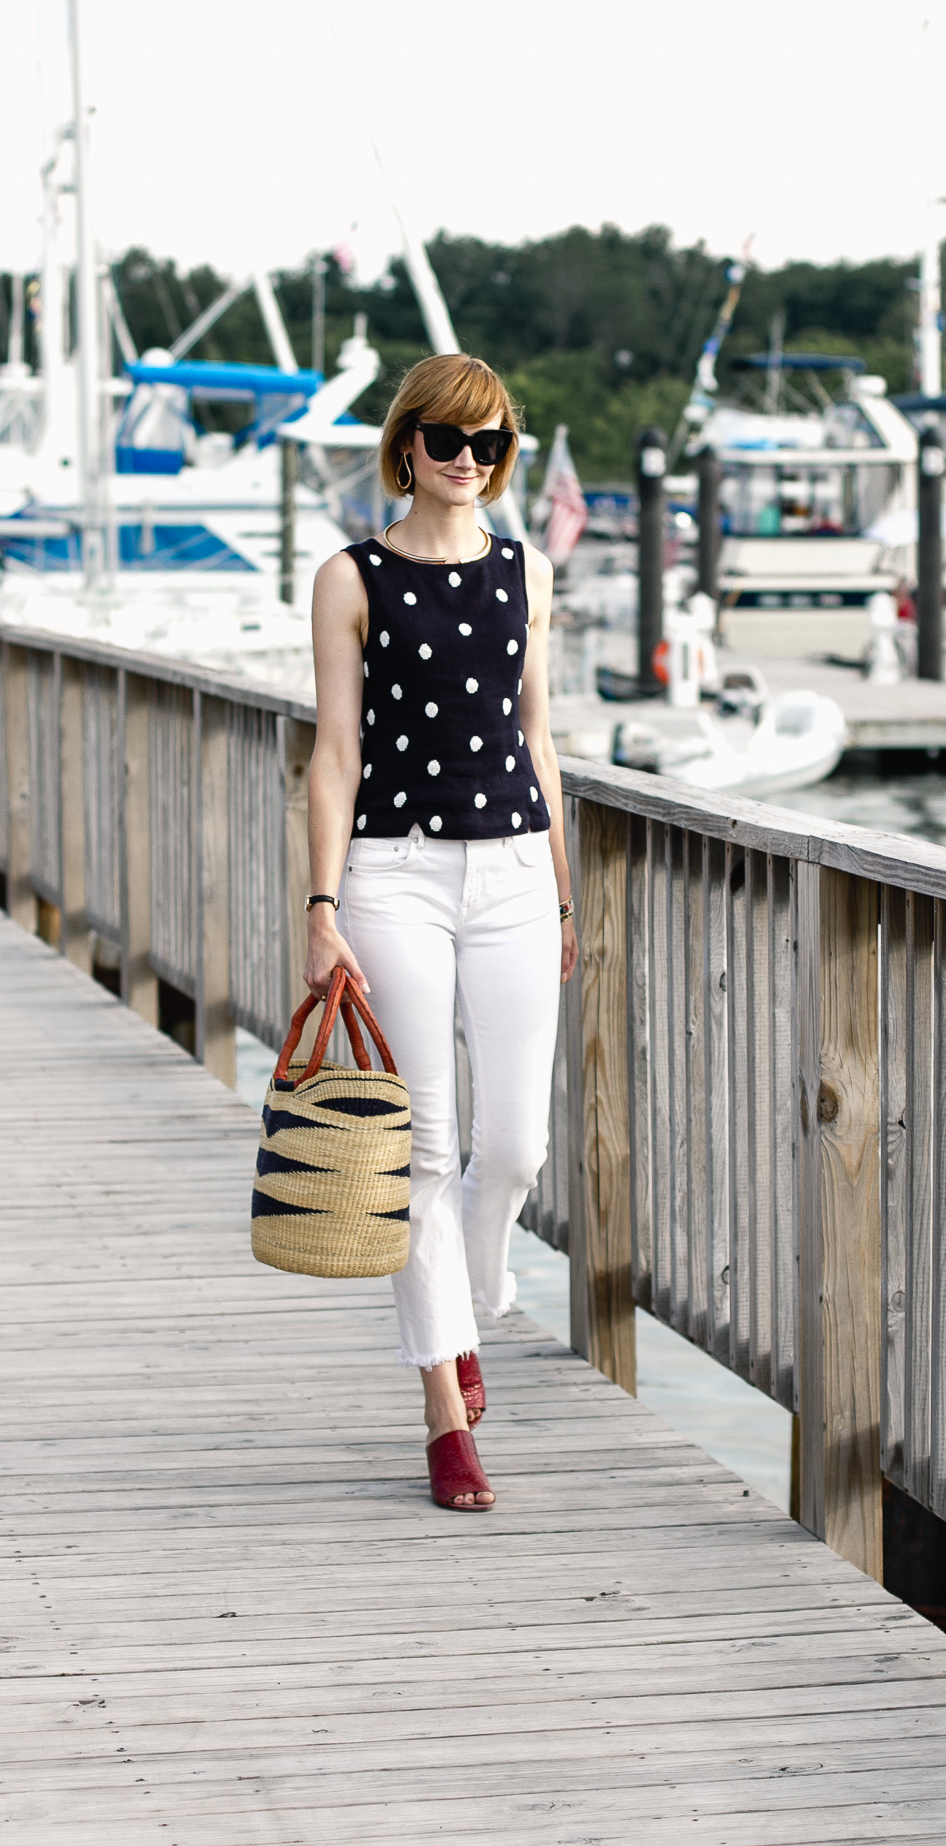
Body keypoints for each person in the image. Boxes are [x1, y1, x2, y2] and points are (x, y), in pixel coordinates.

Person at [304, 354, 579, 1512]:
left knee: (514, 1148)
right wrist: (320, 909)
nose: (468, 462)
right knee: (420, 1148)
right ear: (406, 445)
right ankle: (444, 1413)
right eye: (447, 440)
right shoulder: (348, 576)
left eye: (490, 445)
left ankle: (459, 1309)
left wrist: (562, 891)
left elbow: (539, 737)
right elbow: (332, 755)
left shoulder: (527, 571)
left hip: (515, 870)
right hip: (394, 875)